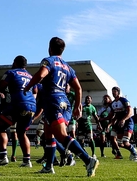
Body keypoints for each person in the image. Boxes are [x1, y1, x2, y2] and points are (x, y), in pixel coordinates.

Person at [26, 37, 99, 177]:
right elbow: (78, 88)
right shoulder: (68, 67)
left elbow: (41, 75)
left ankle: (87, 159)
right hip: (64, 103)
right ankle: (48, 166)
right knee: (49, 134)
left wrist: (28, 86)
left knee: (61, 135)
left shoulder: (49, 61)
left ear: (50, 48)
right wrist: (78, 105)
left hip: (53, 101)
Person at [0, 56, 36, 168]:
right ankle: (27, 161)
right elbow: (35, 91)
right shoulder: (31, 76)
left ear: (15, 63)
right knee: (21, 132)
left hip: (18, 104)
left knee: (0, 127)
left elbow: (1, 86)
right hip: (31, 106)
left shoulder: (12, 72)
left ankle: (2, 156)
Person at [108, 87, 137, 162]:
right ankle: (132, 148)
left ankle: (135, 154)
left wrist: (123, 120)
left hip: (128, 122)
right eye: (112, 92)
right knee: (119, 143)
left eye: (115, 91)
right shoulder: (112, 104)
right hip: (120, 124)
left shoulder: (124, 100)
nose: (113, 93)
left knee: (125, 142)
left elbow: (130, 112)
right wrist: (109, 124)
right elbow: (113, 116)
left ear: (118, 92)